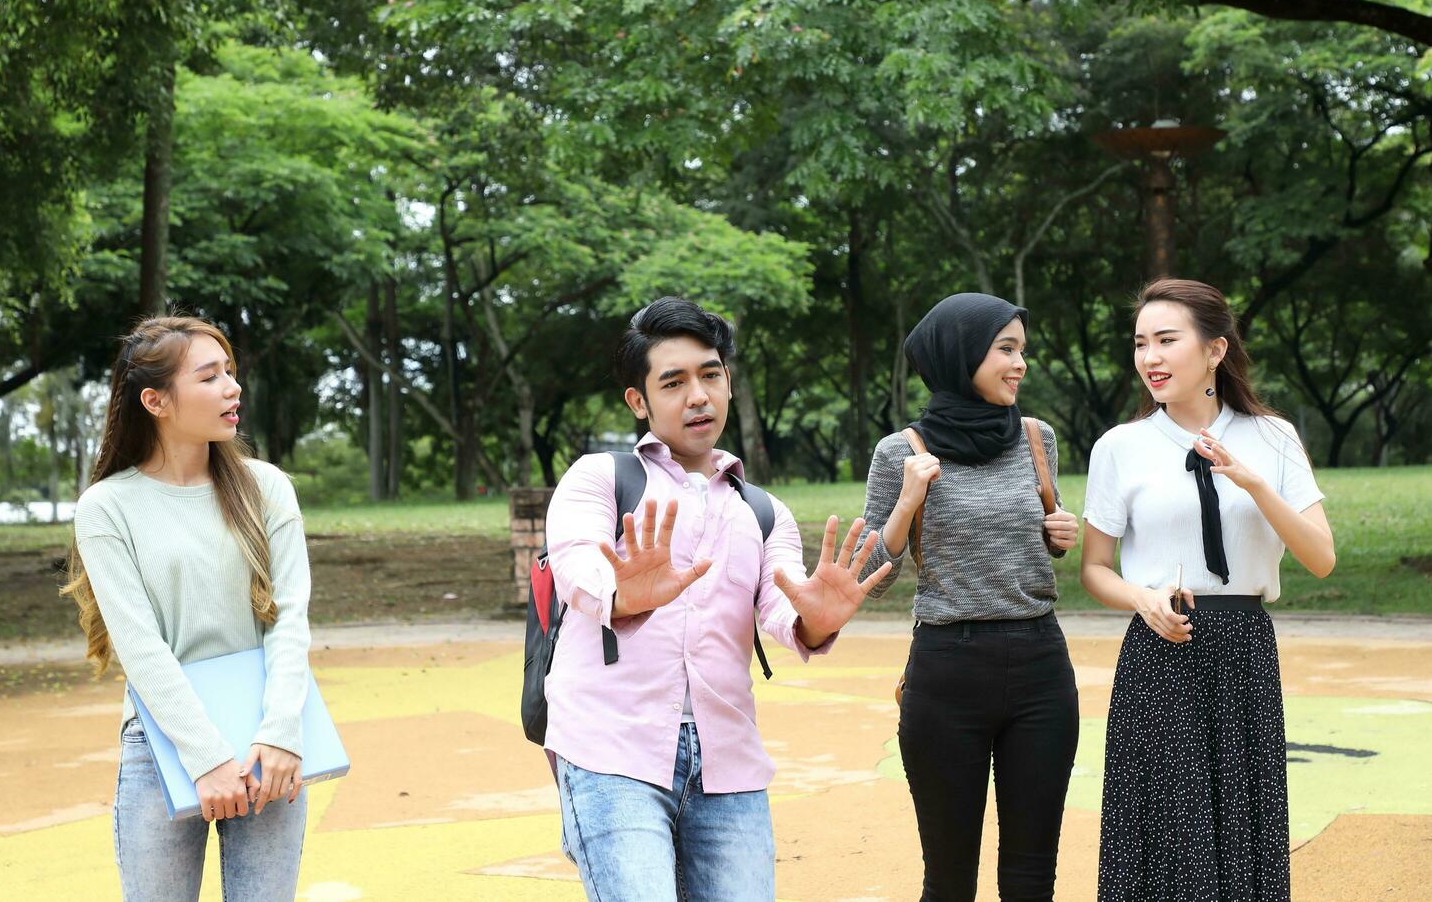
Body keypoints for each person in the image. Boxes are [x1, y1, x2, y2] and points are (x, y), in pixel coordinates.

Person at [543, 296, 893, 901]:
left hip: (726, 762)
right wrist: (624, 594)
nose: (698, 396)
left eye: (710, 375)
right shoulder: (598, 478)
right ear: (638, 400)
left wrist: (814, 621)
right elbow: (578, 571)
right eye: (673, 382)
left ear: (728, 381)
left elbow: (783, 608)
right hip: (610, 752)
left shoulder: (762, 512)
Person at [1081, 278, 1336, 902]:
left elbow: (1321, 558)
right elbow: (1094, 570)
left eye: (1167, 341)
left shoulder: (1273, 437)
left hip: (1243, 650)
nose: (1150, 358)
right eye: (1141, 343)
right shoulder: (1121, 446)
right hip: (1160, 651)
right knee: (1165, 835)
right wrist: (1142, 599)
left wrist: (1256, 485)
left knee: (1244, 830)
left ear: (1215, 351)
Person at [63, 315, 312, 902]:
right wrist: (205, 758)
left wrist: (280, 733)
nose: (232, 388)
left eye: (230, 372)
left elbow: (290, 616)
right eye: (209, 376)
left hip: (265, 744)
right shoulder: (106, 507)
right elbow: (139, 646)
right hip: (160, 745)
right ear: (156, 400)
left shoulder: (267, 487)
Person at [858, 292, 1081, 902]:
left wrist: (1059, 532)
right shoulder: (901, 452)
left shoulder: (1037, 438)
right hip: (946, 669)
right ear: (960, 355)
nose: (1020, 364)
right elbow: (870, 576)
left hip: (1040, 664)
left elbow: (1038, 538)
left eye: (1022, 351)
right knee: (950, 881)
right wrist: (907, 502)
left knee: (1032, 879)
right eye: (1006, 349)